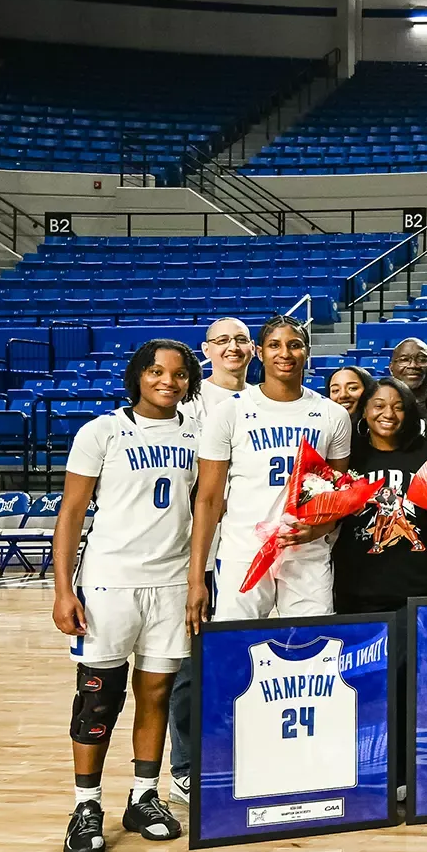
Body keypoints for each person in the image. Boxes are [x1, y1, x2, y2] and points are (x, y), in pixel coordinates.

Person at [52, 340, 200, 852]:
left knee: (156, 693)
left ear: (189, 382)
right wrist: (62, 589)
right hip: (109, 582)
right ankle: (86, 803)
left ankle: (144, 795)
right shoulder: (102, 431)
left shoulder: (198, 432)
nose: (168, 381)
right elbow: (71, 513)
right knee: (98, 695)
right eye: (156, 371)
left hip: (172, 583)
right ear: (138, 376)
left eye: (179, 375)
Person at [187, 316, 353, 626]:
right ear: (259, 352)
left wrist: (316, 531)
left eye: (294, 345)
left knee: (312, 650)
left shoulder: (333, 415)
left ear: (307, 352)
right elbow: (207, 500)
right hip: (243, 552)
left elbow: (338, 497)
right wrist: (197, 578)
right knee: (236, 651)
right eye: (274, 345)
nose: (285, 354)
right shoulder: (230, 412)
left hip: (307, 553)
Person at [170, 317, 255, 804]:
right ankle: (185, 765)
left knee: (238, 656)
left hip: (245, 551)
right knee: (188, 659)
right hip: (194, 551)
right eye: (222, 340)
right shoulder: (191, 403)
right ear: (206, 349)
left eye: (240, 340)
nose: (232, 348)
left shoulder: (263, 402)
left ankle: (238, 750)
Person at [334, 379, 427, 612]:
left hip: (423, 590)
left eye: (398, 407)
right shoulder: (347, 454)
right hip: (359, 590)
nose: (389, 413)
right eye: (379, 406)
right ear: (364, 410)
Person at [388, 338, 427, 407]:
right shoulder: (380, 407)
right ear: (391, 368)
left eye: (422, 360)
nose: (413, 365)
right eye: (404, 360)